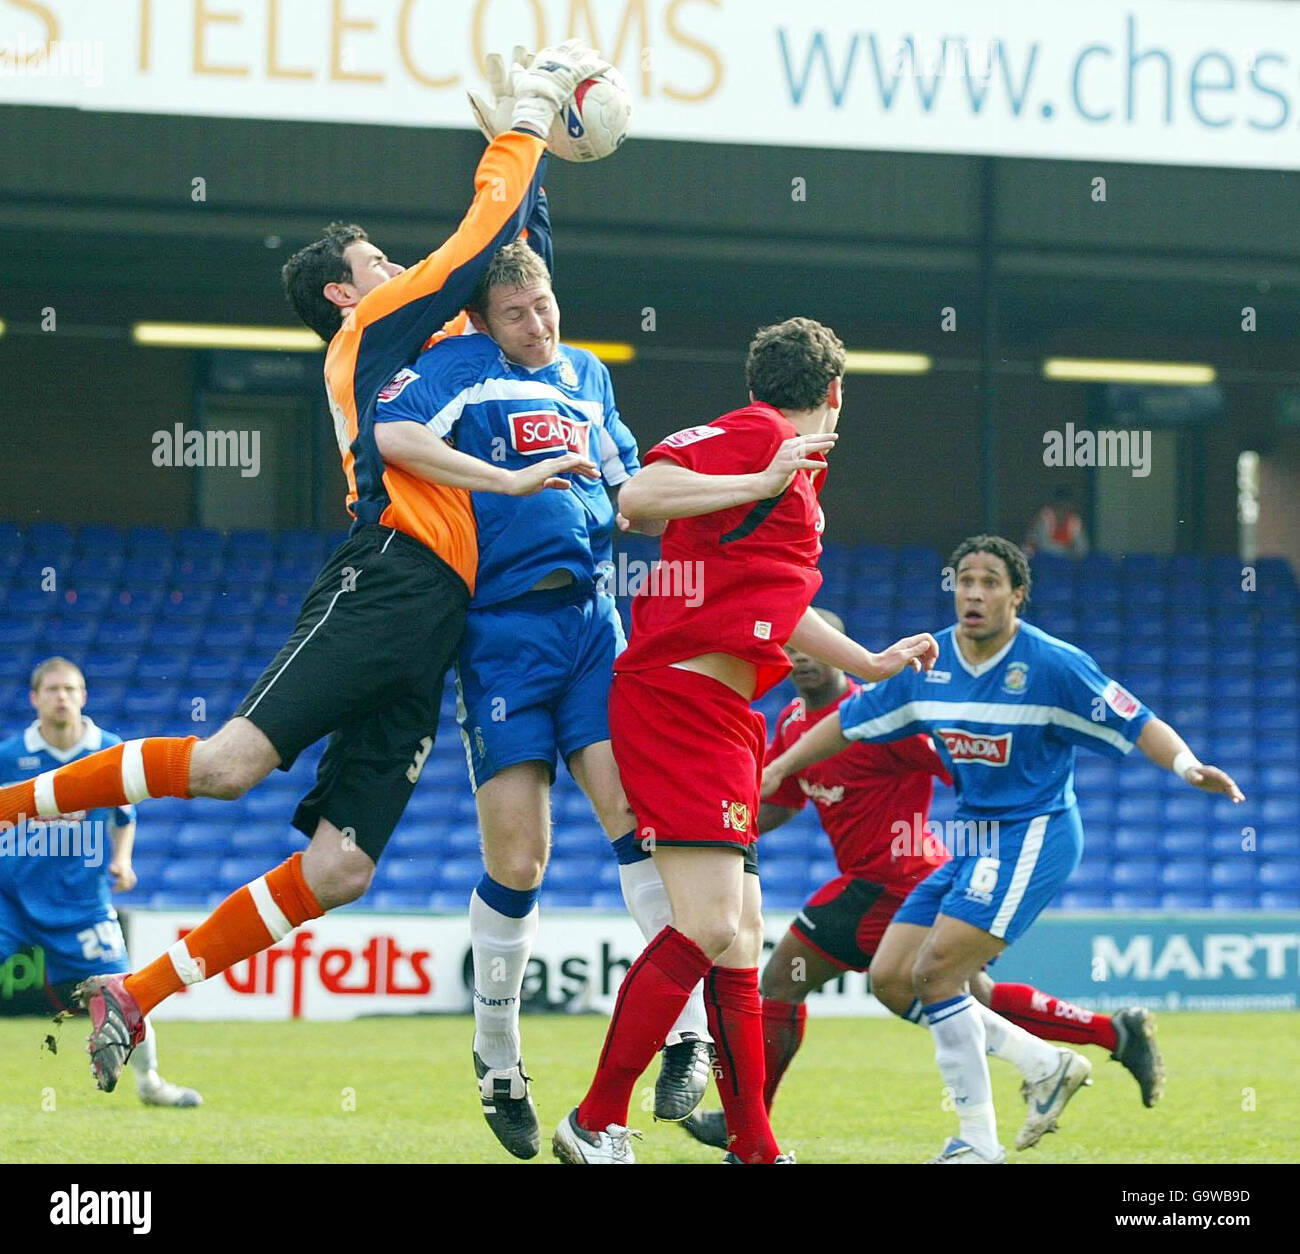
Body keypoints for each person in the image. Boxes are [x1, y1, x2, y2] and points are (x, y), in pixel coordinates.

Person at [0, 42, 614, 1092]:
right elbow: (474, 243)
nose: (393, 268)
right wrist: (526, 115)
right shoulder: (373, 330)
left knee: (341, 868)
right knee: (227, 765)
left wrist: (530, 152)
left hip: (441, 621)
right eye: (376, 260)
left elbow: (510, 254)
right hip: (389, 577)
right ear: (345, 290)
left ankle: (132, 993)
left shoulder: (438, 349)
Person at [550, 316, 940, 1165]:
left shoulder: (788, 471)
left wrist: (868, 662)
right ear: (836, 394)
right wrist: (757, 473)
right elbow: (639, 498)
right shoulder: (758, 437)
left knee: (740, 931)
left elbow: (773, 603)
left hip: (726, 715)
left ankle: (755, 1148)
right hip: (681, 701)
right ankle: (595, 1118)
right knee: (710, 922)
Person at [374, 239, 711, 1156]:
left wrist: (734, 492)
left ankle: (688, 1041)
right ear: (483, 319)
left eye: (547, 304)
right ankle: (496, 1057)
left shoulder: (590, 375)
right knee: (520, 861)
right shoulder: (458, 366)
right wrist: (507, 478)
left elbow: (631, 489)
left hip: (594, 624)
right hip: (502, 635)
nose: (540, 323)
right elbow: (392, 436)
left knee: (636, 818)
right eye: (518, 313)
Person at [762, 535, 1243, 1163]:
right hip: (975, 839)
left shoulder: (1051, 664)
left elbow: (1134, 717)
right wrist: (779, 770)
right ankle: (1049, 1063)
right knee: (892, 979)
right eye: (965, 581)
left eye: (990, 583)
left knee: (936, 974)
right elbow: (849, 722)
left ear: (1016, 595)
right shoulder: (931, 667)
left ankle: (977, 1143)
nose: (974, 594)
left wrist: (1185, 764)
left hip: (1035, 833)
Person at [683, 608, 1164, 1152]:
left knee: (782, 981)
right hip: (884, 882)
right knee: (968, 995)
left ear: (841, 652)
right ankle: (1110, 1034)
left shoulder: (878, 716)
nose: (799, 659)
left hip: (894, 879)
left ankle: (747, 1123)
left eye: (812, 647)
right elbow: (784, 799)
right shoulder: (794, 723)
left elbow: (958, 760)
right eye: (790, 649)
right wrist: (726, 830)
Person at [0, 659, 200, 1107]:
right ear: (34, 698)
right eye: (52, 689)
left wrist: (123, 860)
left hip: (81, 903)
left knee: (126, 993)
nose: (62, 697)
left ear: (83, 696)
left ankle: (151, 1084)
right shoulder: (8, 756)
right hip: (8, 897)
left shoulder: (108, 750)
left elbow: (124, 814)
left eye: (71, 689)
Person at [1023, 486, 1088, 559]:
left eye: (1067, 506)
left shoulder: (1074, 520)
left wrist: (1075, 551)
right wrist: (1067, 549)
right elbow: (1043, 545)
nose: (1064, 510)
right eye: (1061, 506)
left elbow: (1082, 548)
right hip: (1036, 557)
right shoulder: (1044, 517)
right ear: (1055, 505)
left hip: (1063, 559)